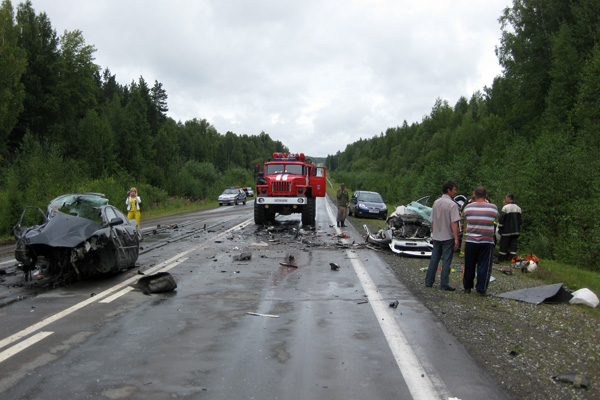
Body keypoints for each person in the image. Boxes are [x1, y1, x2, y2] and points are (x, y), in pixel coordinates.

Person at [425, 180, 461, 291]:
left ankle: (429, 281)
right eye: (454, 189)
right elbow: (454, 222)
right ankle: (444, 284)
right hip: (447, 236)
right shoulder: (452, 205)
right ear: (449, 190)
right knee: (446, 261)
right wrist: (456, 238)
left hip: (437, 235)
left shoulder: (436, 202)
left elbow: (432, 220)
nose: (455, 192)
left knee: (434, 259)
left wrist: (433, 231)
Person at [463, 186, 498, 295]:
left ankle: (467, 287)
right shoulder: (493, 208)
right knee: (484, 266)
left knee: (469, 265)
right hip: (486, 241)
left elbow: (466, 219)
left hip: (470, 241)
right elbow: (495, 219)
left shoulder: (468, 208)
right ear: (486, 195)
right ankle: (481, 288)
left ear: (475, 195)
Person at [497, 193, 522, 263]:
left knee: (503, 246)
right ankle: (512, 260)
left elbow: (502, 219)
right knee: (513, 247)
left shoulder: (505, 208)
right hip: (516, 231)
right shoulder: (518, 208)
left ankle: (501, 259)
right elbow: (520, 221)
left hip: (506, 231)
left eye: (506, 198)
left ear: (508, 198)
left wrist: (500, 228)